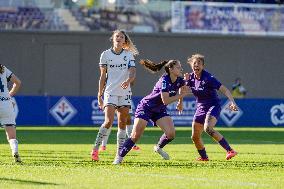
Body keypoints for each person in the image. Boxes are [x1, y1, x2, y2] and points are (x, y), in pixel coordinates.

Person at [113, 59, 190, 164]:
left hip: (159, 109)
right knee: (135, 135)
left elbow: (183, 87)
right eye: (178, 67)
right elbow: (166, 100)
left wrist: (180, 102)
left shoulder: (178, 79)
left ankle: (158, 147)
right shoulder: (164, 81)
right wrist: (181, 96)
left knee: (171, 134)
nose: (181, 69)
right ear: (171, 69)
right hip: (146, 107)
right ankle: (119, 158)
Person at [91, 30, 138, 161]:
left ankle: (119, 155)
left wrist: (129, 80)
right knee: (108, 121)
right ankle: (95, 149)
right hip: (110, 91)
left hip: (124, 92)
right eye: (117, 36)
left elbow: (133, 72)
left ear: (125, 41)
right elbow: (102, 76)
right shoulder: (105, 55)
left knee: (122, 122)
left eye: (121, 37)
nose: (119, 38)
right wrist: (99, 94)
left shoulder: (128, 55)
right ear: (113, 39)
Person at [185, 54, 238, 161]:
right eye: (194, 63)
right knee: (195, 137)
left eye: (199, 63)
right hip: (200, 108)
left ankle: (230, 150)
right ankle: (204, 157)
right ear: (191, 65)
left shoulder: (208, 78)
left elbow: (225, 90)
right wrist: (180, 102)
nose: (196, 65)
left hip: (213, 105)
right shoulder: (190, 77)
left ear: (203, 66)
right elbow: (183, 90)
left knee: (208, 128)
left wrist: (232, 102)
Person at [0, 64, 22, 162]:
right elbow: (18, 82)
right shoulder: (2, 68)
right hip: (6, 103)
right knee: (11, 134)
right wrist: (9, 96)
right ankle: (15, 151)